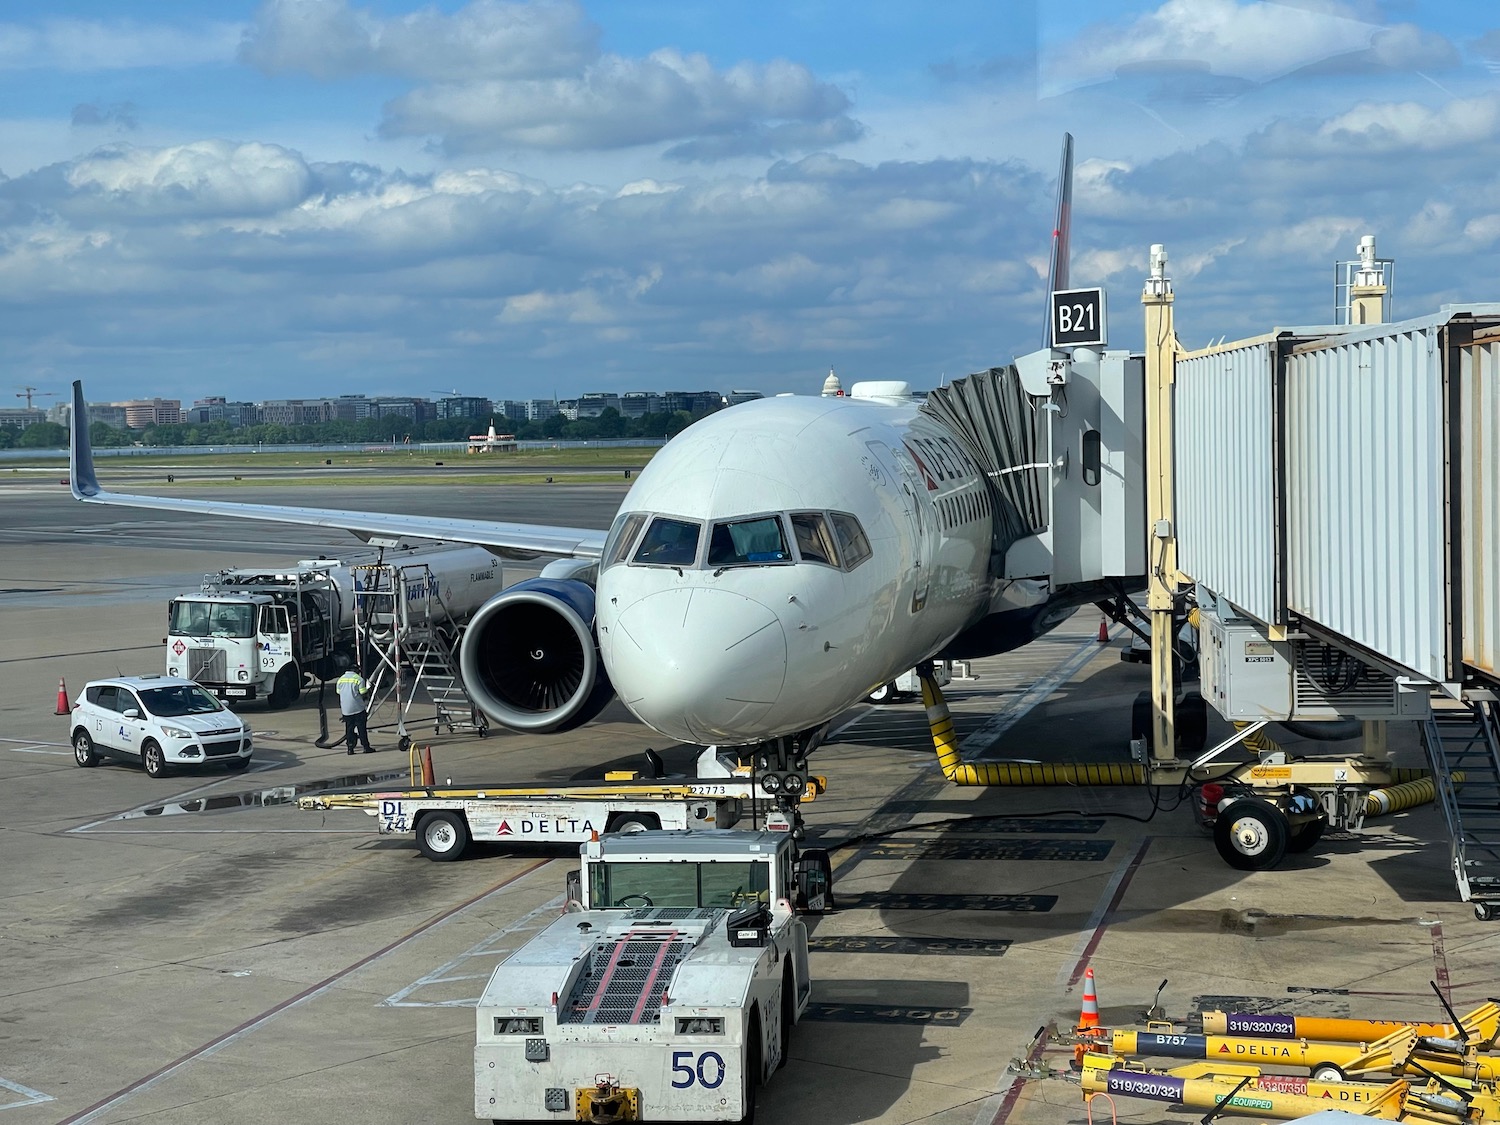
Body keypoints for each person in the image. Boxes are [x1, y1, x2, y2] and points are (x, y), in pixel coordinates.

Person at [337, 668, 375, 754]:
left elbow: (338, 692)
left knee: (349, 729)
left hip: (346, 710)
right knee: (361, 729)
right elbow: (363, 692)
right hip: (357, 709)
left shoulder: (341, 679)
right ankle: (366, 747)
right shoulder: (358, 679)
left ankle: (350, 748)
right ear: (357, 671)